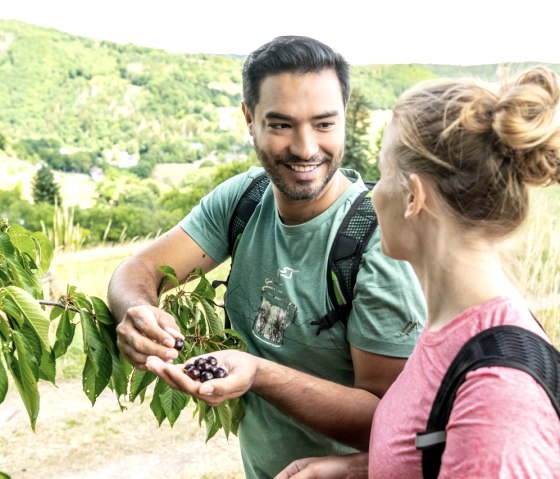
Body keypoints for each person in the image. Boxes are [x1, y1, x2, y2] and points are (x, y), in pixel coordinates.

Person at [107, 35, 426, 478]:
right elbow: (139, 270)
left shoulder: (378, 244)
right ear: (249, 119)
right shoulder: (244, 198)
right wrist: (138, 310)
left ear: (345, 120)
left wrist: (259, 374)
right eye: (280, 125)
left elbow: (391, 426)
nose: (305, 147)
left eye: (324, 124)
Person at [275, 66, 560, 478]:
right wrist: (355, 470)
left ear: (413, 196)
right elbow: (445, 449)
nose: (374, 194)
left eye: (385, 175)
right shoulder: (453, 327)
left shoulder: (500, 397)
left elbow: (490, 447)